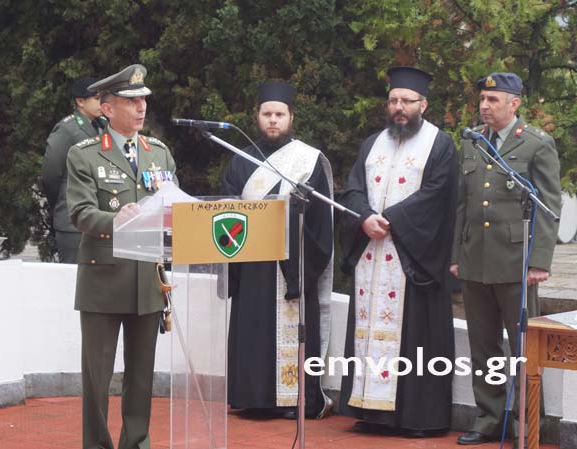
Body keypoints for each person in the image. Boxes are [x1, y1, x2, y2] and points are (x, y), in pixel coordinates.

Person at [338, 67, 458, 437]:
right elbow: (353, 187)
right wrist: (362, 218)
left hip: (413, 257)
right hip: (372, 255)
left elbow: (438, 196)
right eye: (393, 100)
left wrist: (388, 219)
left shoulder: (441, 144)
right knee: (369, 332)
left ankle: (417, 418)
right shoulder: (372, 143)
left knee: (415, 337)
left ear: (423, 104)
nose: (399, 108)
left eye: (407, 101)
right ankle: (370, 411)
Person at [66, 64, 177, 449]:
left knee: (141, 377)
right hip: (103, 279)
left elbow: (173, 207)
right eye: (131, 100)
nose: (141, 107)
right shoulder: (84, 155)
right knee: (97, 379)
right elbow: (79, 213)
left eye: (143, 99)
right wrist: (118, 220)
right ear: (108, 108)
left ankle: (137, 443)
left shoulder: (159, 154)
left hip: (147, 279)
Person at [451, 72, 561, 446]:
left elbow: (549, 204)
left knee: (523, 346)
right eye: (483, 99)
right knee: (484, 346)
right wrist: (456, 256)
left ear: (514, 104)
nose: (485, 106)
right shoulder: (472, 140)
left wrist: (540, 260)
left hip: (516, 259)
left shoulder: (536, 144)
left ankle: (529, 420)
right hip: (475, 257)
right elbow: (463, 203)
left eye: (493, 100)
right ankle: (488, 418)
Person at [222, 81, 334, 420]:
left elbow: (321, 220)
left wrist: (295, 222)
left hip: (292, 264)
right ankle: (253, 397)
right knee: (254, 330)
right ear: (256, 117)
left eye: (279, 114)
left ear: (291, 117)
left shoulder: (308, 160)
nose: (273, 120)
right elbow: (227, 212)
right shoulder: (240, 161)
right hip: (253, 265)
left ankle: (295, 399)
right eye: (267, 114)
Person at [41, 76, 105, 262]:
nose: (101, 102)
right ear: (80, 101)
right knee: (74, 280)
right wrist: (63, 201)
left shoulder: (104, 127)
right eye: (96, 98)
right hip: (72, 222)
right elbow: (50, 174)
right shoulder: (67, 129)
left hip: (98, 217)